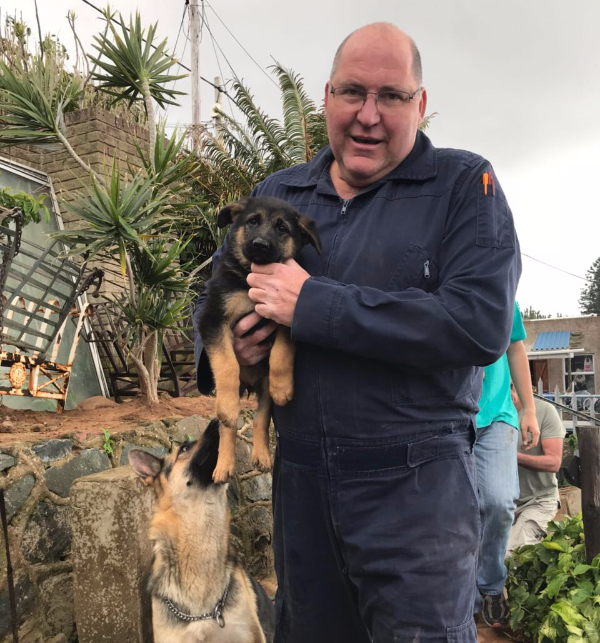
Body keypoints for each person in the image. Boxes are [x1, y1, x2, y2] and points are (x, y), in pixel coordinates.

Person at [194, 22, 521, 642]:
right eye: (352, 92)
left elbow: (478, 324)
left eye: (391, 96)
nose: (368, 115)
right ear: (326, 98)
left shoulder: (462, 188)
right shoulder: (279, 193)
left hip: (416, 494)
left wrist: (314, 303)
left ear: (419, 105)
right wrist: (230, 351)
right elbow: (214, 301)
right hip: (303, 487)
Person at [474, 301, 540, 629]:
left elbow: (515, 346)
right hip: (448, 414)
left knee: (498, 503)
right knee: (458, 510)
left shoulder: (498, 285)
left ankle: (490, 584)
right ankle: (466, 593)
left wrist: (528, 407)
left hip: (497, 413)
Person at [506, 387, 565, 555]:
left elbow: (554, 462)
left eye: (512, 385)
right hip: (501, 503)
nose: (509, 391)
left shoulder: (544, 411)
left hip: (538, 500)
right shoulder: (487, 414)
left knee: (510, 556)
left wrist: (511, 456)